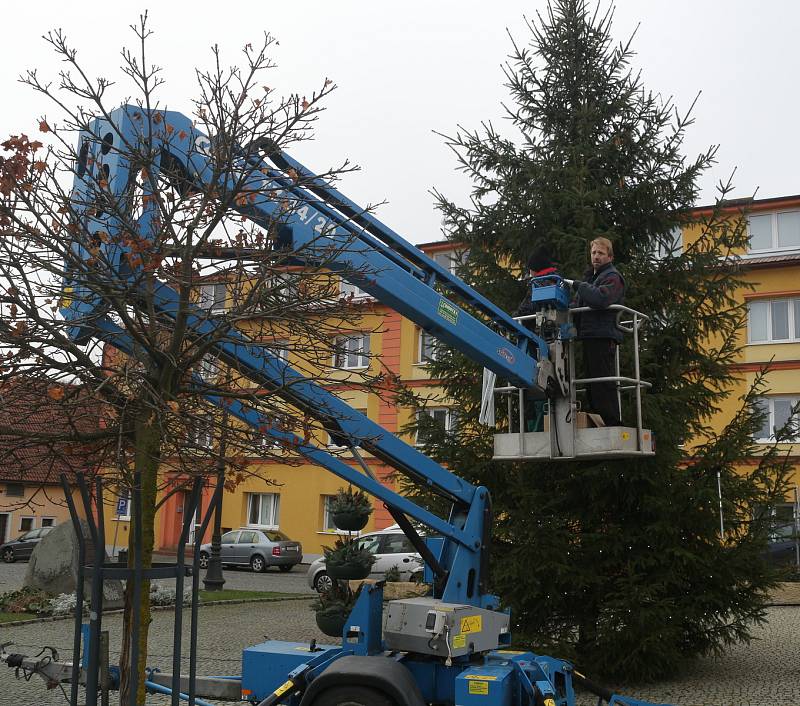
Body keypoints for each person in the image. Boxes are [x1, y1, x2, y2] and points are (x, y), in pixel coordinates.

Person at [572, 237, 625, 427]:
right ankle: (599, 419)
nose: (596, 256)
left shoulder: (613, 277)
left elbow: (601, 298)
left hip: (603, 335)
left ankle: (611, 421)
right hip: (588, 335)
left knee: (603, 381)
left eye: (601, 253)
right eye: (594, 252)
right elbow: (577, 303)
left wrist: (581, 286)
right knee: (592, 382)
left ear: (609, 256)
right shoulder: (591, 278)